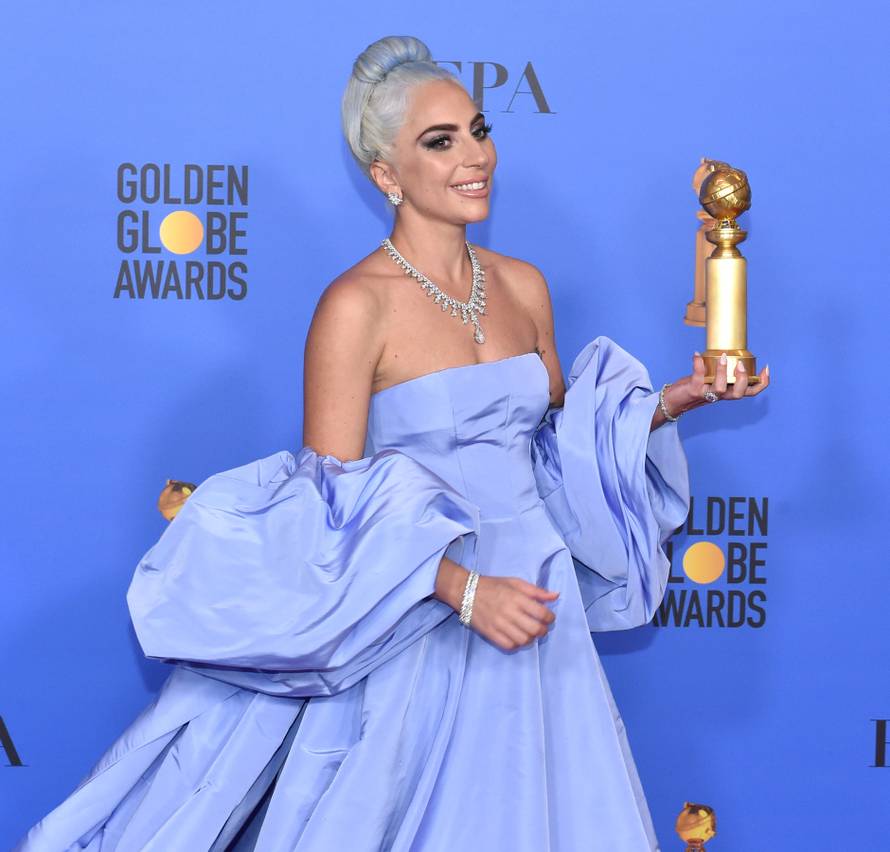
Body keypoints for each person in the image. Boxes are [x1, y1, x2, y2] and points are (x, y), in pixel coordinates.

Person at [14, 34, 770, 852]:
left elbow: (554, 451)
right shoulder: (354, 307)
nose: (474, 156)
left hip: (540, 605)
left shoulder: (523, 285)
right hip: (423, 618)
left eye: (479, 130)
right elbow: (325, 510)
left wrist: (670, 403)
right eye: (438, 143)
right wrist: (461, 590)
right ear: (386, 175)